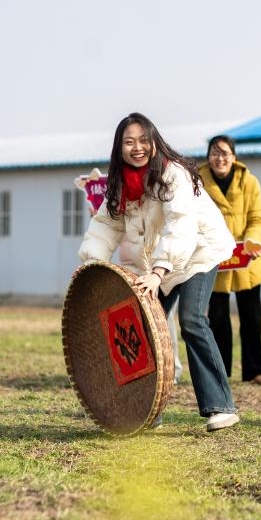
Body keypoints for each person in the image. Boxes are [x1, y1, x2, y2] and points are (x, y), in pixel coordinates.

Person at [78, 113, 240, 432]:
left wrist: (158, 272)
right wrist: (90, 265)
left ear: (154, 142)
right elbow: (105, 225)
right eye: (128, 142)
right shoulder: (120, 182)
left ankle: (221, 407)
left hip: (197, 251)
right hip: (158, 262)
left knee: (192, 320)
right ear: (119, 147)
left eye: (142, 140)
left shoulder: (172, 174)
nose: (136, 147)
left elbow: (180, 224)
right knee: (141, 328)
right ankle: (148, 409)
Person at [199, 135, 261, 385]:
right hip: (215, 258)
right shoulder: (197, 183)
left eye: (225, 153)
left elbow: (257, 218)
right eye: (214, 153)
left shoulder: (249, 181)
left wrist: (252, 240)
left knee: (251, 316)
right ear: (208, 157)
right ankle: (222, 372)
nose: (220, 158)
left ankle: (254, 371)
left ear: (234, 156)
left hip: (247, 256)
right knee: (218, 318)